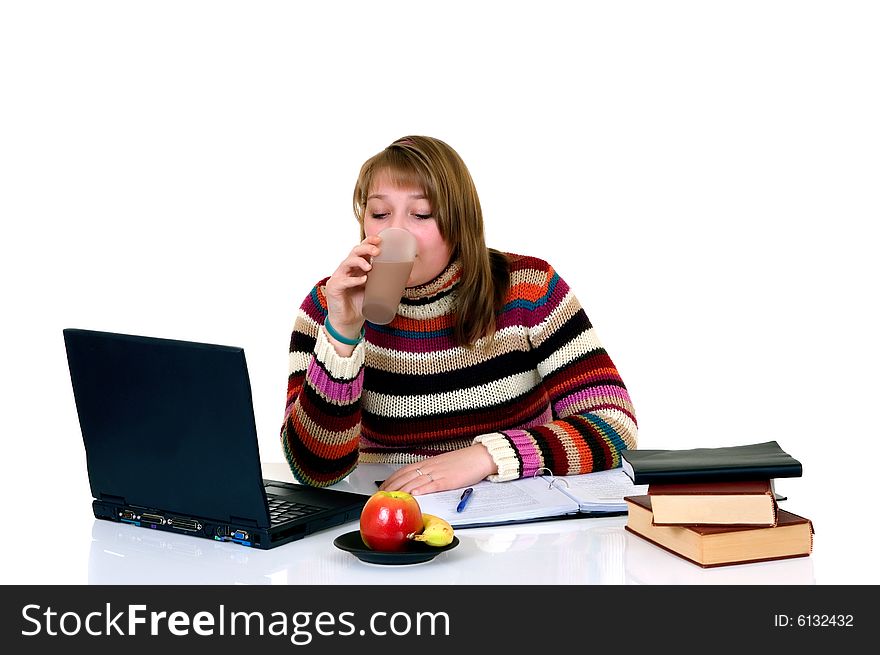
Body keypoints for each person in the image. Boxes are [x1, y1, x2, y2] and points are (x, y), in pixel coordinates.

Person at [280, 135, 637, 494]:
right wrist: (343, 333)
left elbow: (615, 426)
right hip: (388, 512)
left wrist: (487, 455)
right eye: (379, 213)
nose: (395, 230)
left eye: (421, 213)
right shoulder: (329, 304)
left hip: (511, 523)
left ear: (458, 222)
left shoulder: (527, 287)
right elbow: (314, 471)